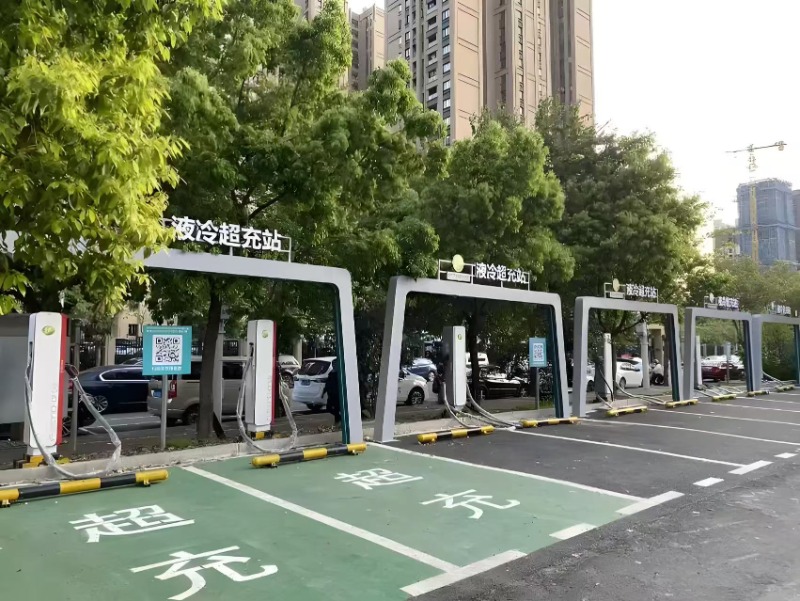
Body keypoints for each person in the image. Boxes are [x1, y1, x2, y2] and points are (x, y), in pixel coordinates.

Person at [323, 359, 341, 426]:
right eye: (333, 364)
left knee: (336, 408)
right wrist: (324, 392)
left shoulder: (339, 373)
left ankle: (338, 421)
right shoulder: (331, 373)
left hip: (337, 394)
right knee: (329, 408)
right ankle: (339, 418)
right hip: (330, 394)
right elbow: (328, 383)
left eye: (335, 364)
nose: (333, 365)